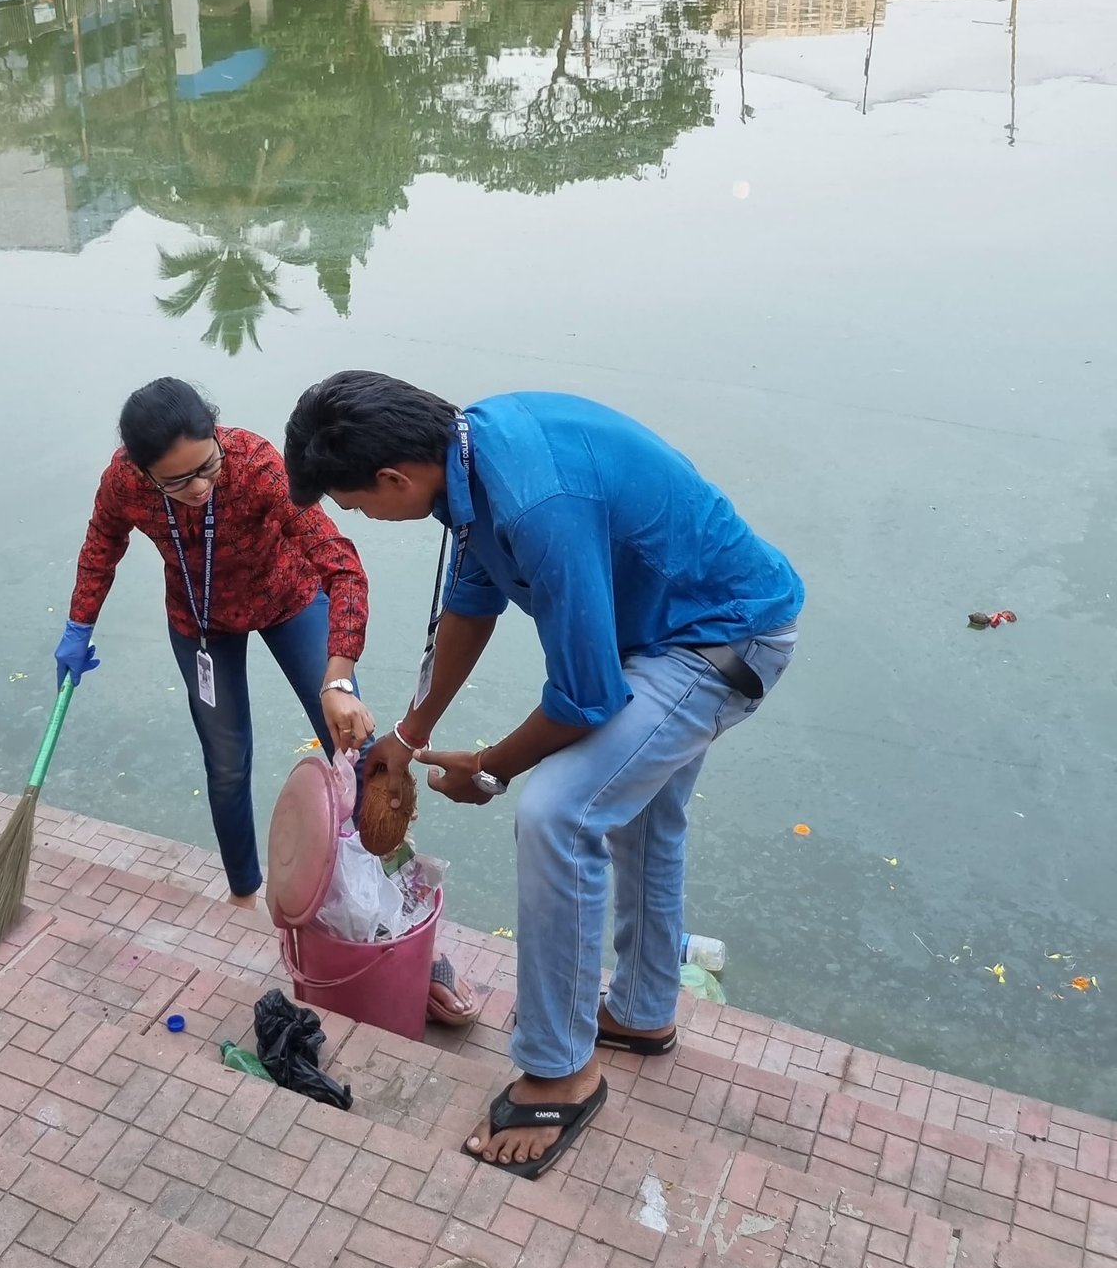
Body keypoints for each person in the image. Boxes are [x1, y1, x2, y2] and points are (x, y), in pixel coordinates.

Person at [284, 372, 803, 1180]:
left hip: (719, 639)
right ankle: (640, 1010)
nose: (365, 519)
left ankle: (562, 1070)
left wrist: (489, 770)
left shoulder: (533, 500)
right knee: (641, 813)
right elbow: (471, 601)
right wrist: (409, 735)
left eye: (356, 507)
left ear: (393, 480)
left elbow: (586, 698)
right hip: (671, 623)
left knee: (559, 810)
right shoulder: (471, 452)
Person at [54, 383, 370, 899]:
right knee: (225, 761)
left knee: (351, 734)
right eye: (176, 481)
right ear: (142, 471)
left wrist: (340, 674)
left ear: (217, 438)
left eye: (207, 466)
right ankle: (243, 892)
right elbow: (102, 543)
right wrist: (79, 625)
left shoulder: (254, 464)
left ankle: (377, 869)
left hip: (285, 597)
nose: (200, 487)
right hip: (201, 620)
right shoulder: (123, 483)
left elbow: (342, 565)